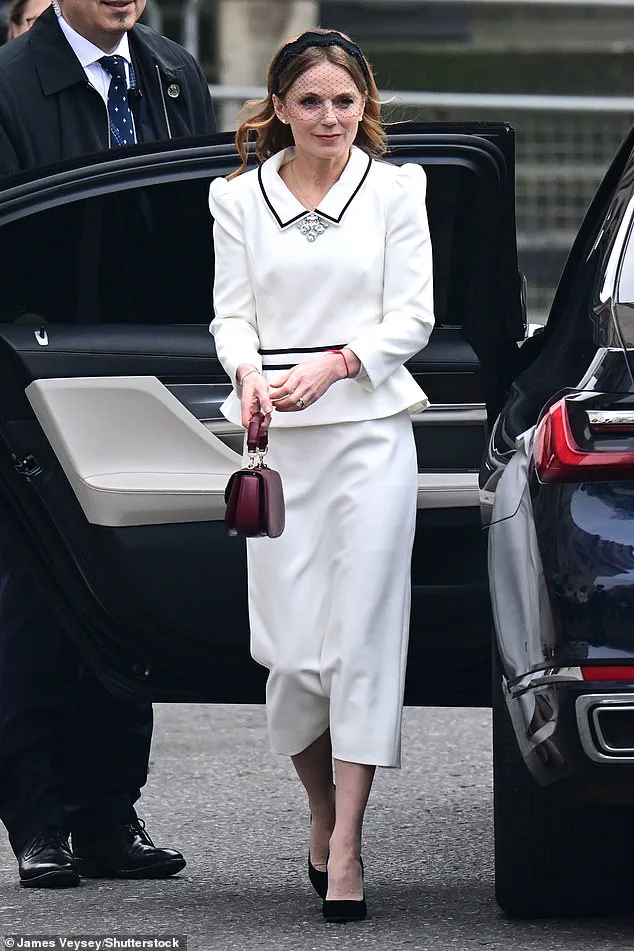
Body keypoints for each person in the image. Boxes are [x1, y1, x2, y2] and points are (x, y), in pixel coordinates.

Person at [209, 28, 434, 923]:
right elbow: (230, 317)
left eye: (345, 101)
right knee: (295, 656)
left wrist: (340, 363)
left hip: (371, 433)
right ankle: (319, 807)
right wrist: (250, 373)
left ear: (364, 105)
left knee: (365, 640)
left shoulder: (396, 190)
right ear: (280, 108)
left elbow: (412, 316)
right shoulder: (236, 199)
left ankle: (348, 844)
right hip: (280, 441)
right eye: (311, 102)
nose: (330, 118)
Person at [0, 0, 216, 887]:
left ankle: (108, 813)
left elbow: (201, 214)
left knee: (132, 590)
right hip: (35, 371)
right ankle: (40, 820)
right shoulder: (11, 84)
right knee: (36, 601)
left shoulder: (171, 70)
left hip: (149, 362)